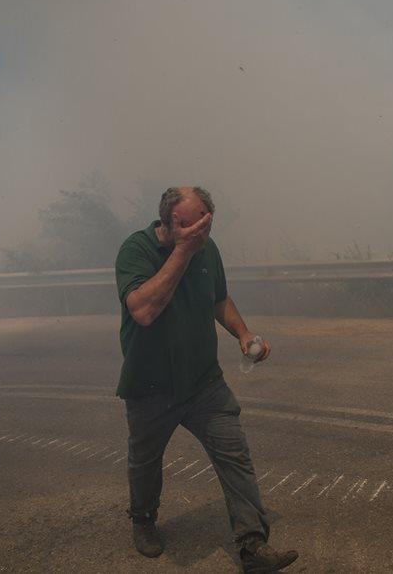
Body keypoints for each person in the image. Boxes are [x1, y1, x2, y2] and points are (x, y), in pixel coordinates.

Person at [115, 186, 298, 574]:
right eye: (187, 223)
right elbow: (144, 311)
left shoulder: (207, 250)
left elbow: (218, 299)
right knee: (145, 462)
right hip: (150, 386)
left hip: (203, 382)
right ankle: (143, 520)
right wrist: (183, 250)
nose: (197, 230)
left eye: (203, 221)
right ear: (167, 221)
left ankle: (253, 545)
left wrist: (243, 334)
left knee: (235, 454)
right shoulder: (137, 250)